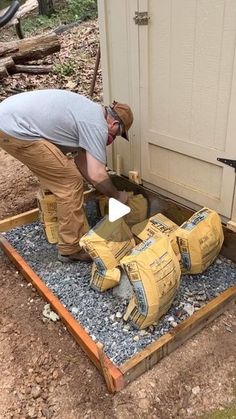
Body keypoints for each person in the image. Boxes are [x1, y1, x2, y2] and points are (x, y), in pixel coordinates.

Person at [0, 89, 134, 262]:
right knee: (70, 183)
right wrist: (116, 196)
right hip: (16, 128)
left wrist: (100, 186)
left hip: (8, 119)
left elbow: (82, 163)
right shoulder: (97, 125)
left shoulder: (89, 112)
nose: (112, 139)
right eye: (117, 135)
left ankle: (65, 224)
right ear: (114, 124)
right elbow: (96, 173)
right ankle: (71, 248)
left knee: (67, 176)